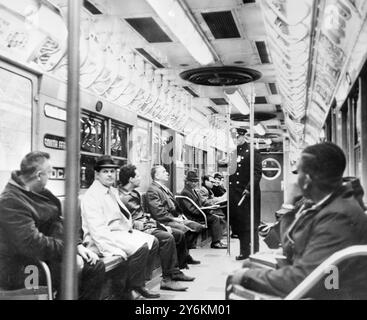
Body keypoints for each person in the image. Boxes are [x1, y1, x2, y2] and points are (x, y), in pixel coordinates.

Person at [228, 142, 367, 299]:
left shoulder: (338, 217)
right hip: (319, 281)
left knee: (237, 278)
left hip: (331, 292)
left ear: (307, 180)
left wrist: (245, 277)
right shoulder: (326, 204)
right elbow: (289, 246)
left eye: (297, 173)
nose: (294, 181)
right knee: (249, 266)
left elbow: (304, 278)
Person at [0, 151, 105, 300]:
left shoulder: (36, 192)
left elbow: (59, 221)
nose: (48, 178)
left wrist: (77, 245)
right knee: (74, 269)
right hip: (25, 266)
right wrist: (68, 249)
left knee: (95, 267)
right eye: (48, 174)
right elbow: (32, 244)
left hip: (50, 254)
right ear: (38, 175)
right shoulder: (11, 201)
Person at [81, 155, 160, 299]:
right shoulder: (92, 196)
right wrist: (111, 250)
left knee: (153, 241)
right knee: (141, 247)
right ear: (97, 174)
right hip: (101, 238)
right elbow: (97, 230)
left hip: (118, 232)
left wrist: (131, 229)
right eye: (105, 172)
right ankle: (129, 289)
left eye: (112, 171)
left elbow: (122, 217)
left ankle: (138, 282)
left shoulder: (111, 191)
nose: (110, 174)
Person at [118, 164, 195, 291]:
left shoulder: (133, 193)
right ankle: (167, 279)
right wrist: (160, 226)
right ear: (131, 179)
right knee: (167, 237)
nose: (141, 178)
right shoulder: (124, 197)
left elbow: (142, 216)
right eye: (137, 176)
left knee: (177, 234)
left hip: (144, 224)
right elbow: (135, 221)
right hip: (135, 229)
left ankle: (175, 272)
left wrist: (159, 225)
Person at [146, 165, 202, 265]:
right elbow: (158, 213)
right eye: (164, 172)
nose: (167, 173)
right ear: (157, 176)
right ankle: (182, 259)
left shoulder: (163, 188)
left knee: (197, 227)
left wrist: (180, 215)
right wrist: (175, 219)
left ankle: (185, 254)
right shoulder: (153, 190)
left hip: (173, 218)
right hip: (164, 221)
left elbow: (174, 205)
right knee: (185, 230)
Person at [229, 128, 263, 260]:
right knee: (240, 225)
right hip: (235, 194)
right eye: (234, 138)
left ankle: (255, 252)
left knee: (251, 225)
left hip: (248, 194)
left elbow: (257, 173)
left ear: (243, 137)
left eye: (237, 137)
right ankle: (244, 251)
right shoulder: (233, 152)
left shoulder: (252, 151)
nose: (235, 140)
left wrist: (249, 188)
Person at [180, 171, 227, 249]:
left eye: (196, 181)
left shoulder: (193, 190)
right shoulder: (185, 192)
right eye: (192, 181)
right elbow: (191, 209)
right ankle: (216, 242)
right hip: (192, 216)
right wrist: (205, 211)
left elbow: (201, 203)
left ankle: (218, 240)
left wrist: (211, 206)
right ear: (187, 182)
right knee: (215, 218)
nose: (195, 183)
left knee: (216, 217)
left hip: (198, 213)